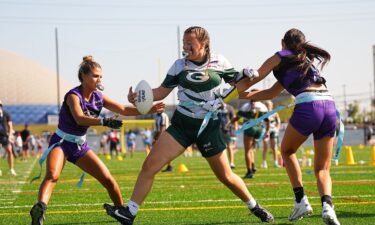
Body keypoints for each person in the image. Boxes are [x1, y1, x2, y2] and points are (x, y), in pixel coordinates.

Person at [105, 26, 274, 225]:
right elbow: (160, 91)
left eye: (190, 43)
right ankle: (130, 212)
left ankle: (255, 206)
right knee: (149, 165)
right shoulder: (179, 65)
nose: (185, 47)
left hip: (208, 127)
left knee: (226, 176)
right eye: (184, 43)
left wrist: (247, 74)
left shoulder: (219, 61)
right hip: (182, 124)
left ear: (203, 44)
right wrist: (139, 98)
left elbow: (238, 84)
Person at [29, 55, 164, 225]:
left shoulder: (99, 97)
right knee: (52, 175)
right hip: (61, 143)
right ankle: (40, 210)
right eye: (95, 75)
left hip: (79, 146)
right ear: (83, 76)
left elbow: (122, 109)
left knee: (108, 180)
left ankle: (122, 212)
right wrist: (104, 121)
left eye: (100, 76)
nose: (98, 79)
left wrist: (148, 109)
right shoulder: (73, 95)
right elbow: (79, 118)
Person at [236, 28, 340, 225]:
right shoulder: (304, 60)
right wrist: (243, 95)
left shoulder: (280, 56)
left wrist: (236, 87)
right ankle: (328, 207)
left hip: (309, 106)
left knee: (287, 150)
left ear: (282, 43)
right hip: (330, 106)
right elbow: (269, 93)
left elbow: (255, 77)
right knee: (322, 169)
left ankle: (301, 200)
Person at [234, 97, 269, 178]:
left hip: (250, 127)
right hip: (259, 128)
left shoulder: (246, 106)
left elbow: (237, 117)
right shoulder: (263, 106)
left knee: (247, 150)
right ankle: (253, 166)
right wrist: (267, 131)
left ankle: (249, 171)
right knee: (251, 149)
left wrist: (230, 123)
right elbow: (267, 120)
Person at [261, 100, 281, 169]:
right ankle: (264, 162)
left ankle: (275, 162)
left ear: (272, 106)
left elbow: (278, 122)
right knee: (265, 146)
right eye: (267, 105)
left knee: (274, 147)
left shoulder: (275, 113)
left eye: (269, 105)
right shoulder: (263, 113)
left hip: (273, 131)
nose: (268, 106)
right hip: (265, 132)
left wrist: (277, 129)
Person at [217, 103, 237, 169]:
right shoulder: (216, 108)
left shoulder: (229, 107)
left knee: (229, 146)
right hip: (218, 130)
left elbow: (234, 119)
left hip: (227, 130)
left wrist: (235, 129)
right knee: (221, 147)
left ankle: (231, 162)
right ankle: (223, 163)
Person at [0, 100, 16, 176]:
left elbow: (10, 125)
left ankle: (11, 169)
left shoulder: (6, 114)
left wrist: (10, 135)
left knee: (9, 151)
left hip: (4, 136)